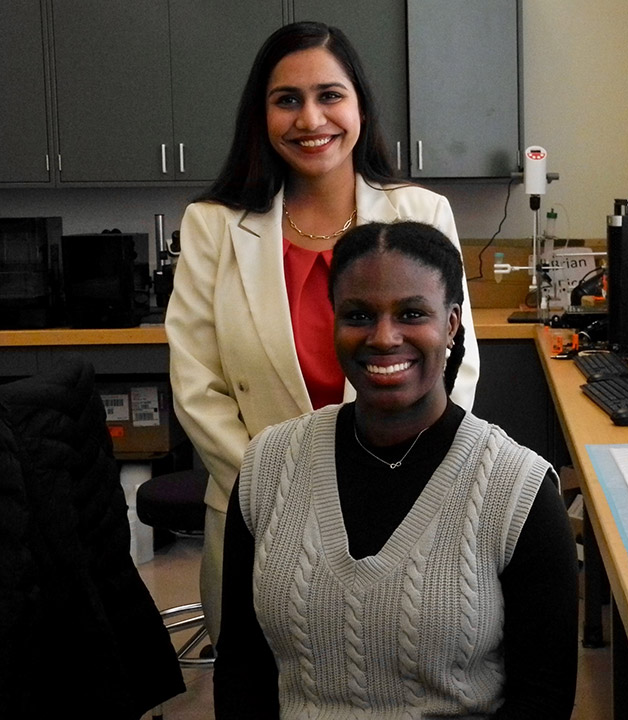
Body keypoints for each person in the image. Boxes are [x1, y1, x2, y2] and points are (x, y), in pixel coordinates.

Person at [164, 21, 480, 646]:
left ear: (360, 104)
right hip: (260, 517)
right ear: (263, 115)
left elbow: (455, 366)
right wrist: (287, 493)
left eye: (330, 95)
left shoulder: (421, 214)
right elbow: (198, 388)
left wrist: (395, 479)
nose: (311, 119)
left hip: (401, 505)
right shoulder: (213, 227)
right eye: (288, 100)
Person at [213, 221, 579, 718]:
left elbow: (544, 697)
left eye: (411, 313)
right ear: (334, 322)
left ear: (451, 324)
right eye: (359, 315)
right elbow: (241, 669)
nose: (384, 338)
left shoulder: (517, 489)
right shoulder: (268, 466)